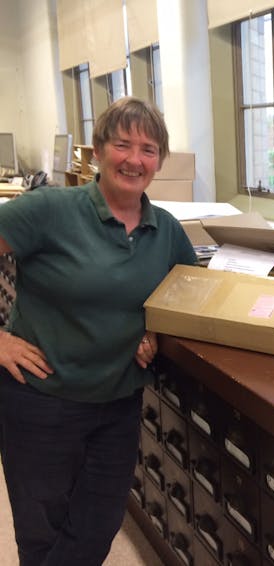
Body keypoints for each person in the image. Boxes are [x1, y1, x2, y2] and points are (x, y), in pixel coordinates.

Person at [0, 97, 197, 565]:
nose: (134, 159)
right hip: (41, 402)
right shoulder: (49, 210)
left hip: (117, 405)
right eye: (122, 144)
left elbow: (189, 298)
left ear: (159, 161)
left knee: (97, 525)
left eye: (148, 149)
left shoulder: (166, 230)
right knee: (41, 532)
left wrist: (157, 333)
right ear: (97, 151)